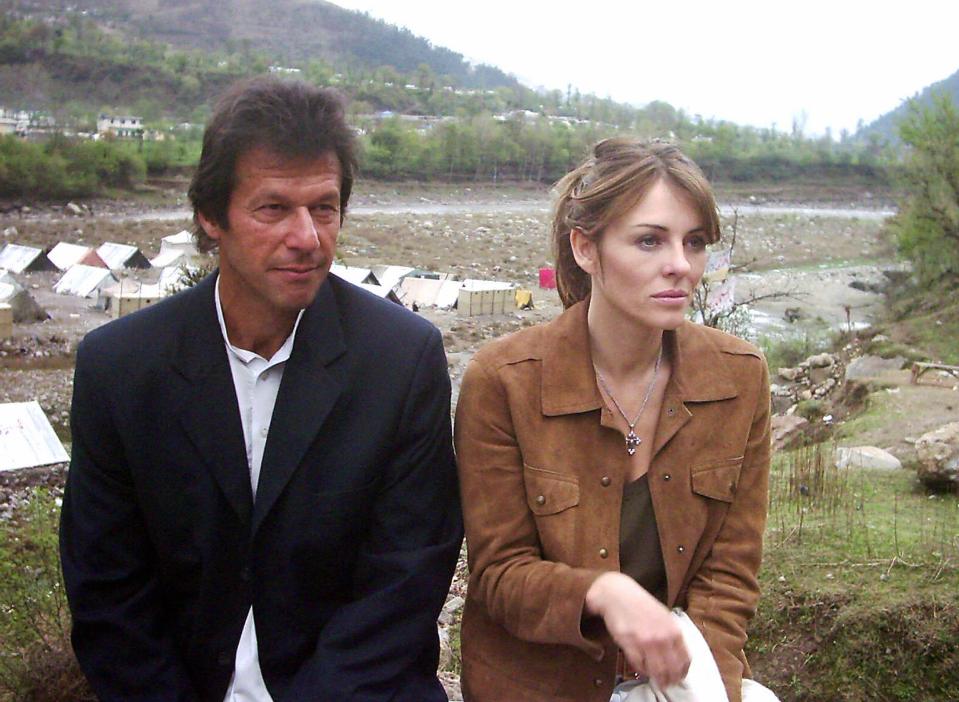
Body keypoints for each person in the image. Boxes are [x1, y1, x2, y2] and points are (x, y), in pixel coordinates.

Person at [59, 77, 463, 702]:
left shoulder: (399, 359)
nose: (306, 237)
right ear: (210, 215)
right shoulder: (123, 369)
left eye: (324, 208)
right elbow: (108, 594)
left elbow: (404, 583)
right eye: (273, 208)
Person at [454, 138, 776, 702]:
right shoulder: (503, 380)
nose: (680, 265)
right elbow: (500, 576)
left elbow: (729, 579)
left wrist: (709, 690)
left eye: (694, 242)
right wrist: (603, 592)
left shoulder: (740, 379)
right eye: (649, 240)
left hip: (678, 684)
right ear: (586, 248)